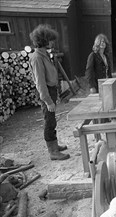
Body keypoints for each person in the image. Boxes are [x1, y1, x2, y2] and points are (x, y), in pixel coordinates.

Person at [29, 24, 70, 160]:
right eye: (50, 40)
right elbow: (40, 82)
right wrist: (47, 100)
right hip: (45, 92)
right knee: (49, 121)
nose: (53, 42)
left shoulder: (45, 55)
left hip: (51, 90)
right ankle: (53, 152)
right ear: (43, 40)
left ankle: (55, 145)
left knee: (52, 121)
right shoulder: (37, 57)